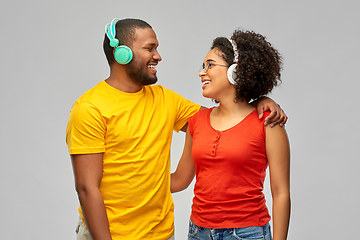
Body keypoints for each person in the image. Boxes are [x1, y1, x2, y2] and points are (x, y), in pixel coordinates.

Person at [66, 18, 287, 240]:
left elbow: (227, 118)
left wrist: (260, 101)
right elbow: (86, 189)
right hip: (110, 233)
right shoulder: (89, 109)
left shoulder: (166, 100)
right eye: (149, 48)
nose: (158, 56)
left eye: (157, 48)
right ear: (122, 54)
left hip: (161, 234)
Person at [171, 29, 291, 240]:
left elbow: (281, 193)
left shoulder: (268, 122)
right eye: (202, 66)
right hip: (198, 232)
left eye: (210, 65)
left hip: (248, 233)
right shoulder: (196, 121)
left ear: (235, 71)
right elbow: (180, 180)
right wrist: (132, 181)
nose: (202, 72)